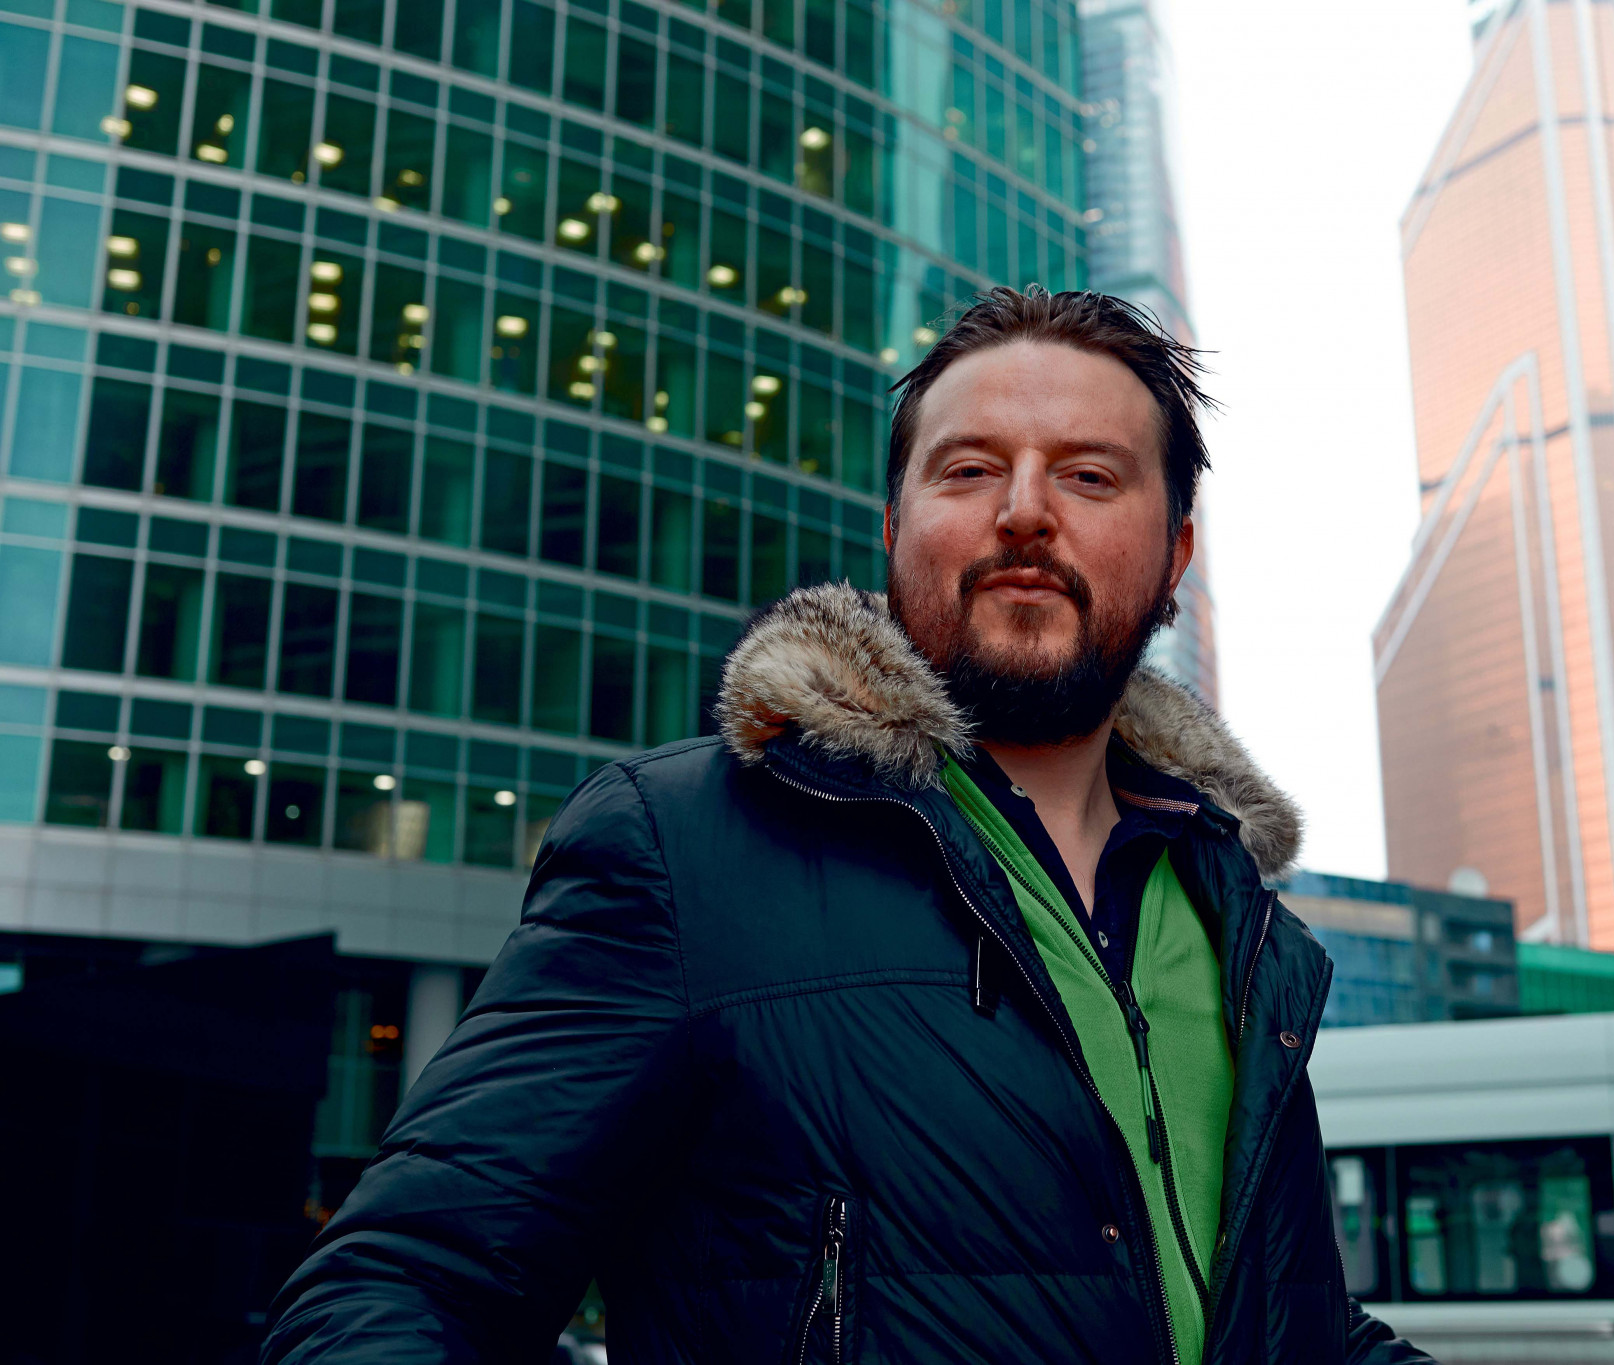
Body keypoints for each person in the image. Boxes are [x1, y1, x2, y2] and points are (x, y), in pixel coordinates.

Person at [263, 287, 1432, 1365]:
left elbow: (1284, 1326)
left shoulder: (1235, 922)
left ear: (1174, 552)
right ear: (893, 526)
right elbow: (397, 1290)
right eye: (970, 470)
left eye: (1087, 476)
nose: (1024, 512)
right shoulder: (678, 848)